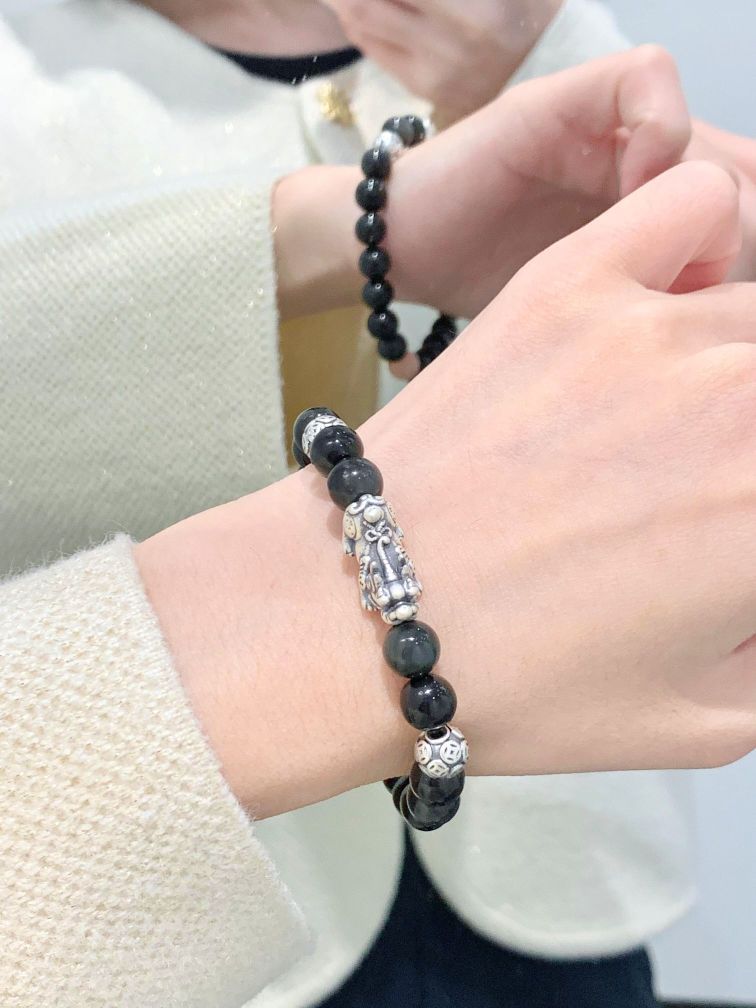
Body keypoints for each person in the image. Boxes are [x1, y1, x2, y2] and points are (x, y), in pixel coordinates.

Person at [1, 4, 756, 1006]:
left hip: (560, 877)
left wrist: (529, 67)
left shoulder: (529, 23)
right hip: (203, 899)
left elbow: (704, 316)